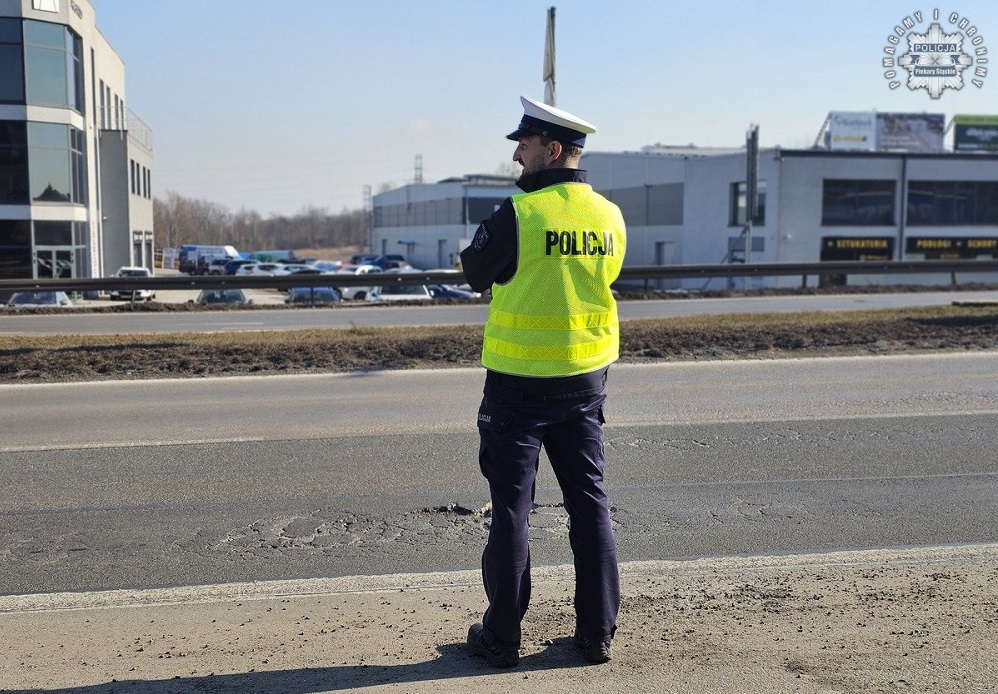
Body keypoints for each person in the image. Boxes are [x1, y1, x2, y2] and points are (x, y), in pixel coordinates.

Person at [460, 96, 627, 668]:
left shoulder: (520, 214)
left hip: (517, 387)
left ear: (552, 150)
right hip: (584, 382)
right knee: (590, 504)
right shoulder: (609, 215)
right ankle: (596, 634)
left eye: (524, 145)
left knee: (511, 510)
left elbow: (474, 271)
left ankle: (502, 638)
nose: (516, 155)